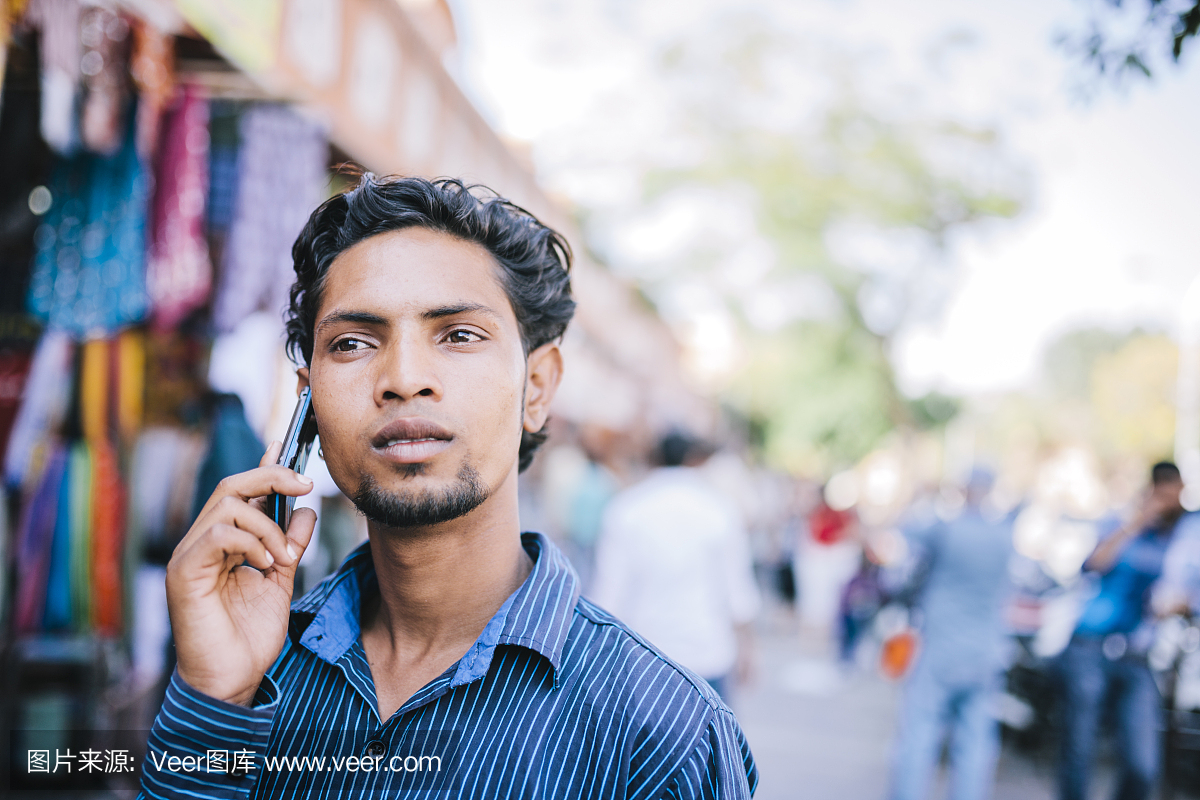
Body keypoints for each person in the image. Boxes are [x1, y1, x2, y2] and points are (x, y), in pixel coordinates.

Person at [140, 176, 758, 799]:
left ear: (537, 388)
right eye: (353, 343)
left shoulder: (664, 736)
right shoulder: (253, 667)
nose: (404, 379)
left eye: (459, 335)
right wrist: (213, 701)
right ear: (309, 404)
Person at [591, 432, 761, 701]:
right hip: (707, 652)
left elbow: (609, 594)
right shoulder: (719, 509)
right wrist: (748, 648)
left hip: (642, 655)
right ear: (693, 460)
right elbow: (737, 590)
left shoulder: (626, 509)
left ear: (655, 459)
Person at [1058, 461, 1187, 800]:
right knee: (1079, 749)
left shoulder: (1179, 542)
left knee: (1142, 765)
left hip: (1137, 654)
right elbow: (1092, 564)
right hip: (1091, 646)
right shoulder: (1120, 524)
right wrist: (1138, 521)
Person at [889, 468, 1014, 800]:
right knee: (975, 744)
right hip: (985, 651)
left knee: (919, 735)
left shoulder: (944, 529)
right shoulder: (1004, 535)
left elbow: (901, 542)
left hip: (940, 648)